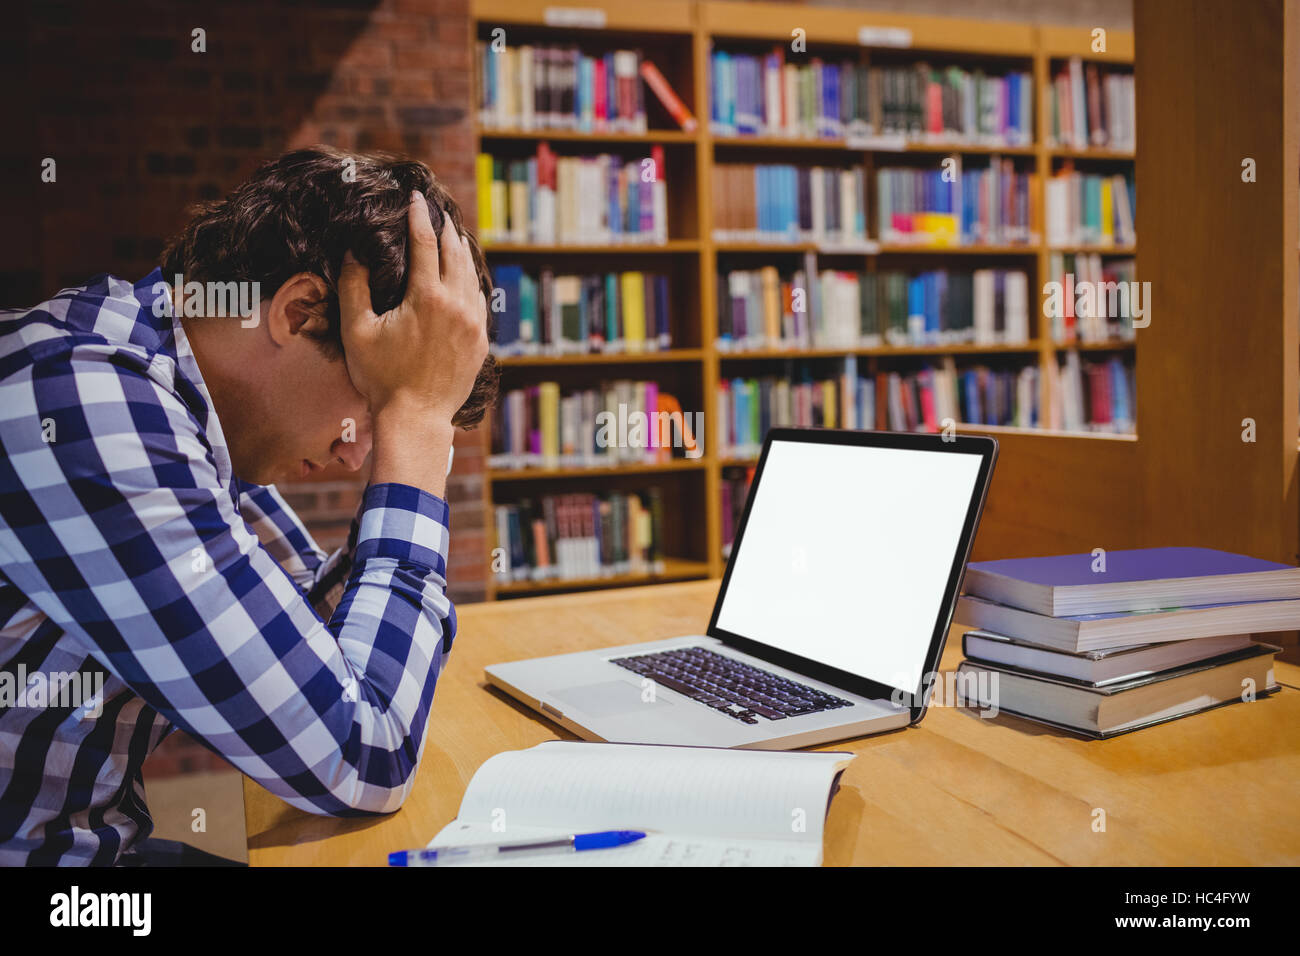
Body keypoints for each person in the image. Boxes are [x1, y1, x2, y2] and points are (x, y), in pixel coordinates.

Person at [0, 146, 497, 864]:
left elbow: (306, 642)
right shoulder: (87, 407)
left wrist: (419, 420)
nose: (362, 455)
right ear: (298, 313)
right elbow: (364, 753)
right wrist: (415, 427)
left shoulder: (168, 397)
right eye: (374, 401)